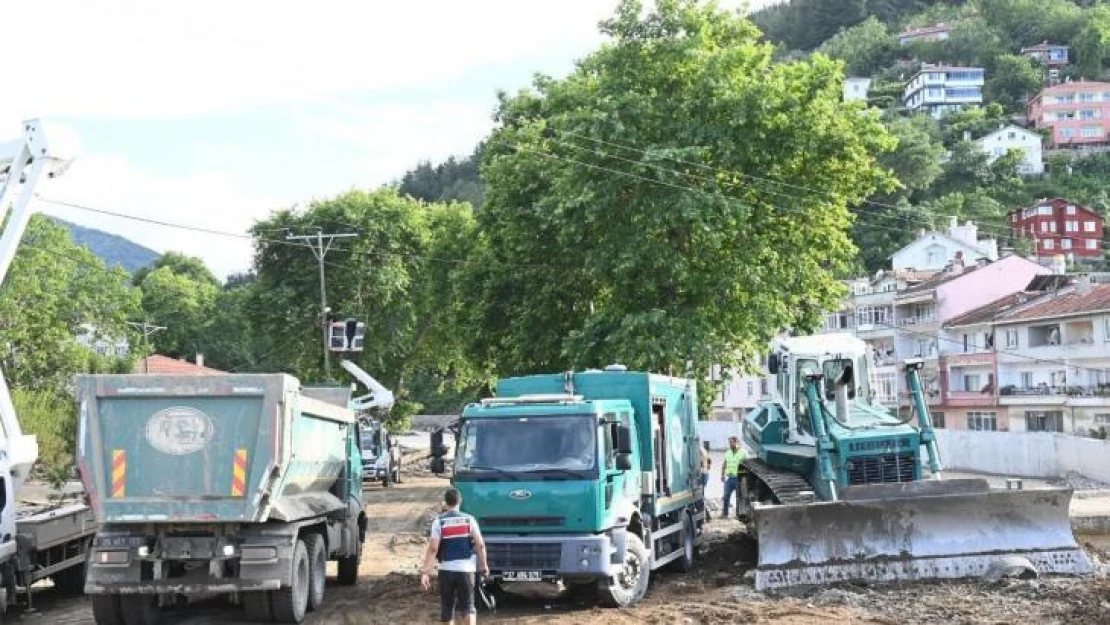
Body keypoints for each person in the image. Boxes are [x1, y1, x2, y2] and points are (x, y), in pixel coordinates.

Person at [421, 488, 490, 624]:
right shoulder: (469, 520)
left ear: (445, 503)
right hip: (466, 571)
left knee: (447, 608)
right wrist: (484, 565)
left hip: (446, 570)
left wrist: (425, 572)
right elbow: (480, 545)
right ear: (460, 501)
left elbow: (433, 548)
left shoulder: (439, 522)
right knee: (468, 607)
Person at [721, 435, 748, 520]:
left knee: (739, 497)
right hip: (729, 478)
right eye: (729, 442)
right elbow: (724, 464)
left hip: (739, 479)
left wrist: (746, 477)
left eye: (731, 442)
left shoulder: (744, 452)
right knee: (725, 496)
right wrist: (722, 475)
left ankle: (738, 514)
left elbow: (749, 465)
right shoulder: (727, 453)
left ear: (736, 442)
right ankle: (725, 514)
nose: (730, 444)